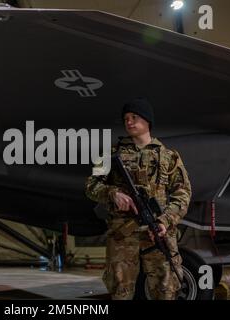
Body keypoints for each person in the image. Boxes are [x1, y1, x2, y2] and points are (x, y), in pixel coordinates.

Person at [85, 98, 192, 300]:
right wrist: (112, 193)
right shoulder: (109, 154)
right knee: (120, 291)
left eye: (134, 117)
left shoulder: (168, 156)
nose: (129, 122)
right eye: (126, 118)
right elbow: (91, 185)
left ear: (147, 121)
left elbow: (183, 193)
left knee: (165, 289)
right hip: (123, 234)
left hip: (157, 231)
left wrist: (165, 220)